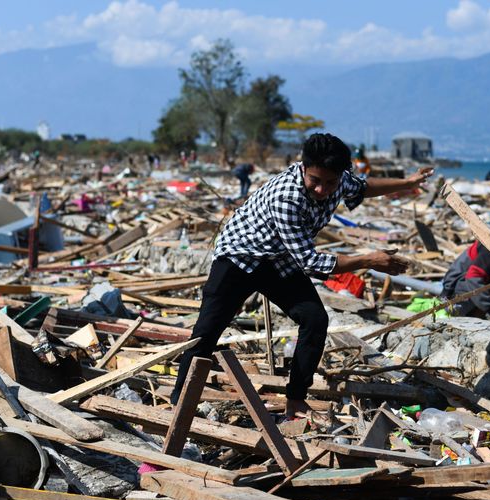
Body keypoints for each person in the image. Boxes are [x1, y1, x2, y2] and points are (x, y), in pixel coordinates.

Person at [171, 133, 433, 417]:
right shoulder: (288, 197)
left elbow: (363, 187)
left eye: (329, 183)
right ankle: (180, 400)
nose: (322, 190)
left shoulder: (338, 179)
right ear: (304, 168)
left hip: (279, 259)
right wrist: (367, 259)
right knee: (208, 331)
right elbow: (309, 261)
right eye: (315, 181)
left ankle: (296, 398)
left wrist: (407, 183)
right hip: (240, 257)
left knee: (314, 319)